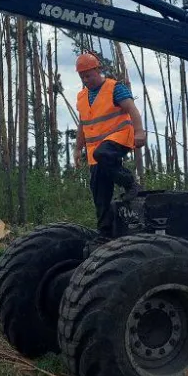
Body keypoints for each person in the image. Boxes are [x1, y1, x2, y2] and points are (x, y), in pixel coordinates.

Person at [74, 52, 146, 238]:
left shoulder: (114, 88)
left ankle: (130, 183)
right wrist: (77, 148)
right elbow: (82, 125)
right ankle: (104, 234)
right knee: (100, 192)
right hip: (95, 151)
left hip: (119, 138)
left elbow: (132, 109)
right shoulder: (82, 97)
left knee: (103, 154)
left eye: (88, 75)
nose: (86, 79)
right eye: (82, 76)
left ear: (98, 70)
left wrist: (139, 132)